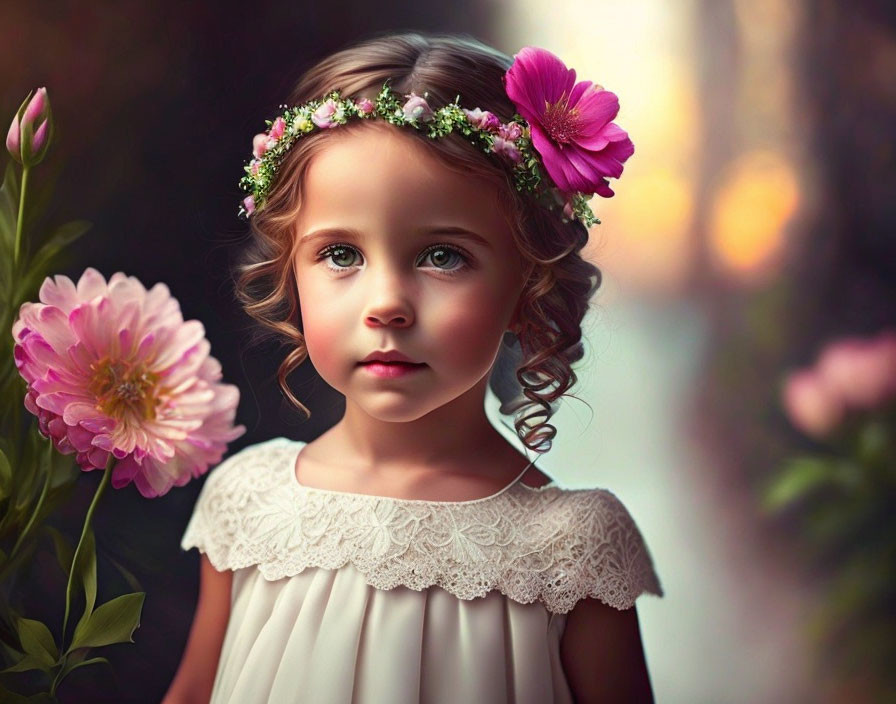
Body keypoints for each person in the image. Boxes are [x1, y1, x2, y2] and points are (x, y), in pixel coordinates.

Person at [162, 30, 663, 704]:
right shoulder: (246, 502)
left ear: (528, 282)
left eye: (443, 256)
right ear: (290, 271)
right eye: (341, 254)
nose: (388, 304)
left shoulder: (572, 546)